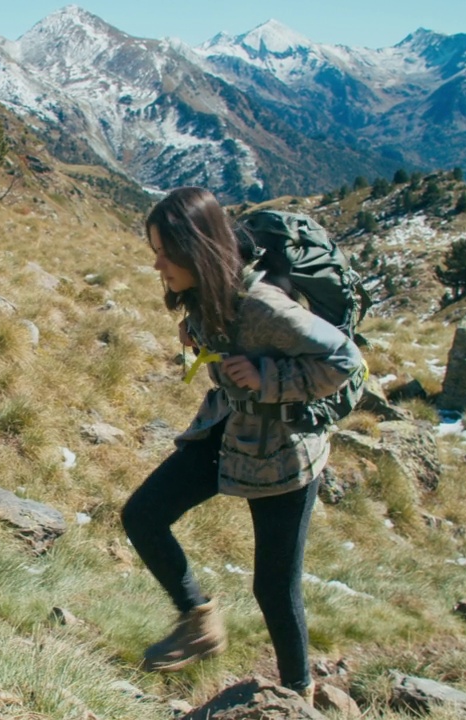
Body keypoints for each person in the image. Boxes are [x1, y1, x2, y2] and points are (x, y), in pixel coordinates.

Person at [121, 187, 364, 702]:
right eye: (154, 251)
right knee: (142, 515)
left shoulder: (263, 306)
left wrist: (266, 375)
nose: (158, 264)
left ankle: (296, 695)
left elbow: (346, 361)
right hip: (230, 431)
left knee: (274, 588)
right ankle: (199, 621)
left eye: (165, 252)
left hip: (282, 452)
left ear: (196, 252)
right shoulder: (208, 294)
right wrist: (202, 343)